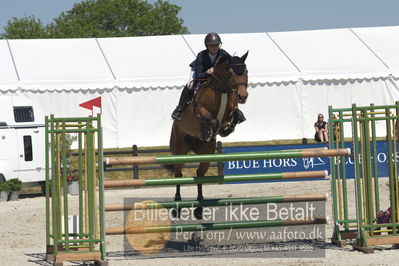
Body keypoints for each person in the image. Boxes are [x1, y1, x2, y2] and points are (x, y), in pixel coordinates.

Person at [171, 32, 246, 123]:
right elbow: (199, 74)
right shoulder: (201, 55)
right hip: (200, 72)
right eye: (212, 45)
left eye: (216, 45)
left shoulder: (223, 54)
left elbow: (230, 64)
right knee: (190, 85)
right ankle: (179, 108)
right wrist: (207, 72)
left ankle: (235, 111)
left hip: (216, 77)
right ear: (207, 46)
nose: (214, 47)